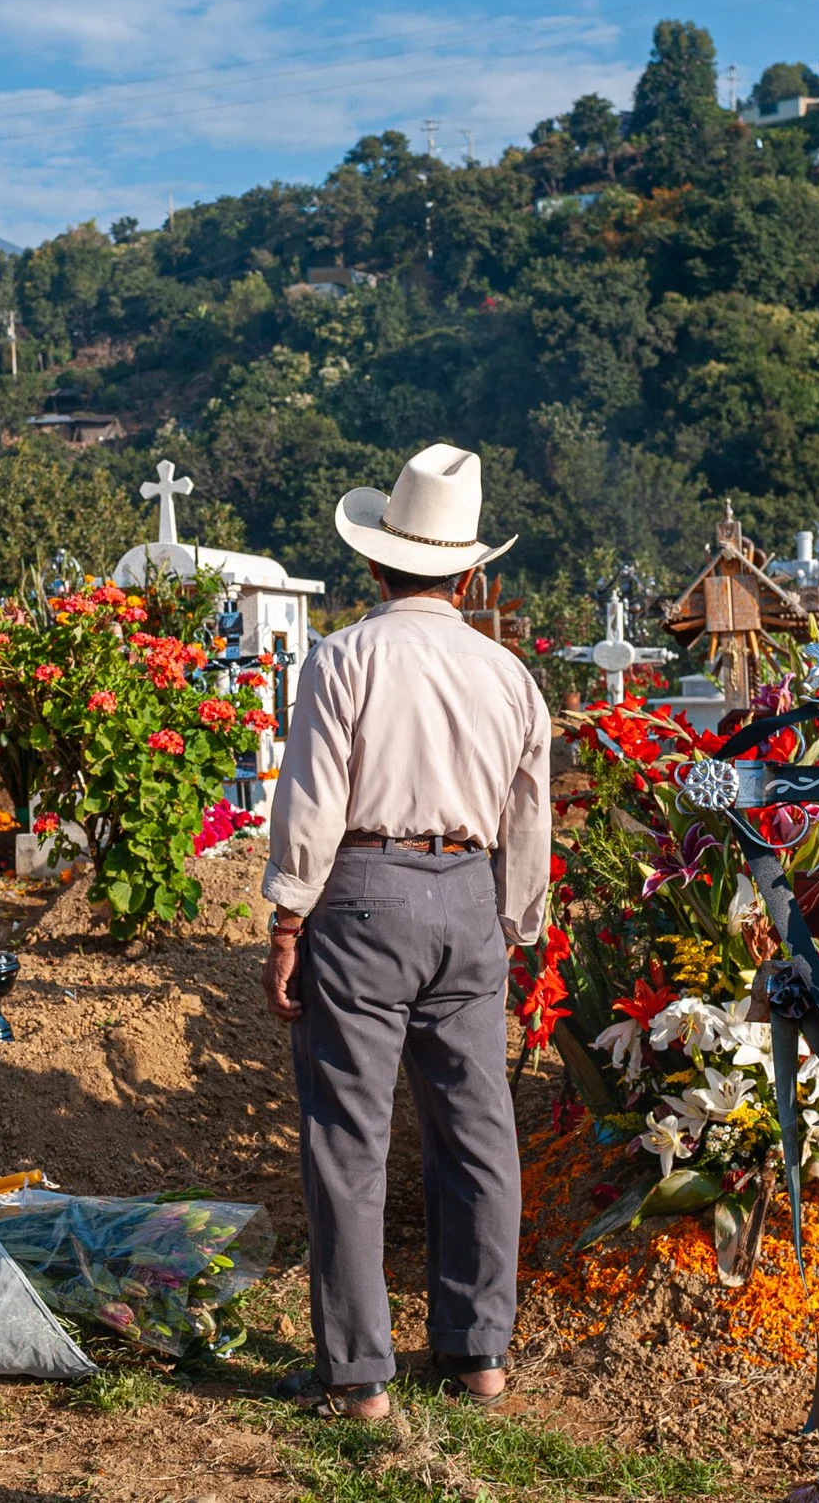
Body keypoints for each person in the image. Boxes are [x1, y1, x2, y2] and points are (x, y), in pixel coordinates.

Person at [262, 442, 552, 1420]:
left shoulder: (345, 655)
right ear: (469, 571)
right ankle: (479, 1355)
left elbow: (310, 799)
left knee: (349, 1136)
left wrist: (287, 919)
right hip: (469, 895)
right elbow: (529, 809)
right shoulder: (508, 672)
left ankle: (358, 1375)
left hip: (366, 891)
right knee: (476, 1134)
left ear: (376, 560)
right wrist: (515, 917)